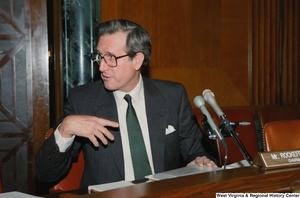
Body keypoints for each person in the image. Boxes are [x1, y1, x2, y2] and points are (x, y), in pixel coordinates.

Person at [35, 19, 217, 188]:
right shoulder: (83, 100)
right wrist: (65, 129)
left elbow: (197, 150)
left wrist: (201, 159)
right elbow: (45, 174)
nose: (101, 67)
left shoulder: (172, 96)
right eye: (100, 56)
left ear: (137, 60)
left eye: (111, 57)